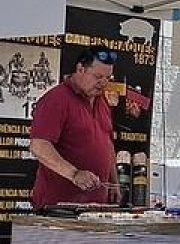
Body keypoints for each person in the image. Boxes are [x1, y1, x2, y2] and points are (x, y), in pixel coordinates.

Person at [29, 47, 120, 210]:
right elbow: (39, 146)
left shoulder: (102, 101)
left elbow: (107, 144)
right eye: (98, 77)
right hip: (59, 207)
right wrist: (74, 174)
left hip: (96, 206)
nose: (103, 83)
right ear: (80, 69)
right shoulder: (57, 99)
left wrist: (114, 182)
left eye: (108, 78)